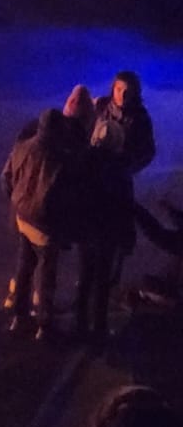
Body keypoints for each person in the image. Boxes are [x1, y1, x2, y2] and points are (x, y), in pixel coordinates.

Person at [1, 108, 84, 340]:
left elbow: (5, 178)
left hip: (22, 217)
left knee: (24, 266)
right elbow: (66, 198)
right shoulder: (60, 160)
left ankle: (19, 316)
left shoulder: (23, 147)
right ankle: (44, 325)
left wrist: (17, 201)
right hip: (44, 225)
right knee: (46, 274)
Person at [75, 118, 136, 346]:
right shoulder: (120, 170)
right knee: (102, 283)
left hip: (86, 231)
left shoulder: (84, 162)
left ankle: (80, 326)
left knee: (85, 279)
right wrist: (128, 237)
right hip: (107, 234)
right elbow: (126, 206)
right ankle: (99, 329)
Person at [93, 71, 157, 176]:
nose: (122, 95)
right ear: (113, 89)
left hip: (120, 175)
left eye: (127, 91)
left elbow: (148, 152)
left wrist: (127, 168)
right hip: (94, 171)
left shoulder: (140, 117)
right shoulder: (100, 106)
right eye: (118, 90)